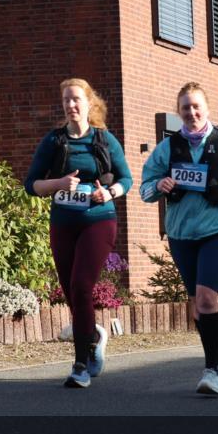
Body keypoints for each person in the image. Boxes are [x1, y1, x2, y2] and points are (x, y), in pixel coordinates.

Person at [139, 82, 218, 396]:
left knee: (207, 297)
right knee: (198, 305)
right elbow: (144, 189)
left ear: (206, 109)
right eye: (185, 108)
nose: (192, 112)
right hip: (182, 234)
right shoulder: (167, 149)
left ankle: (214, 368)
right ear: (178, 112)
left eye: (196, 106)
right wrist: (159, 186)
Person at [24, 78, 133, 388]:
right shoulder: (54, 141)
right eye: (66, 101)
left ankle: (80, 364)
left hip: (98, 220)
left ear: (89, 104)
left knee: (81, 285)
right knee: (72, 293)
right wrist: (57, 184)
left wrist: (108, 193)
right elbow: (31, 184)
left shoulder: (104, 140)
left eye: (76, 100)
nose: (71, 106)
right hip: (63, 222)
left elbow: (126, 179)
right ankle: (94, 334)